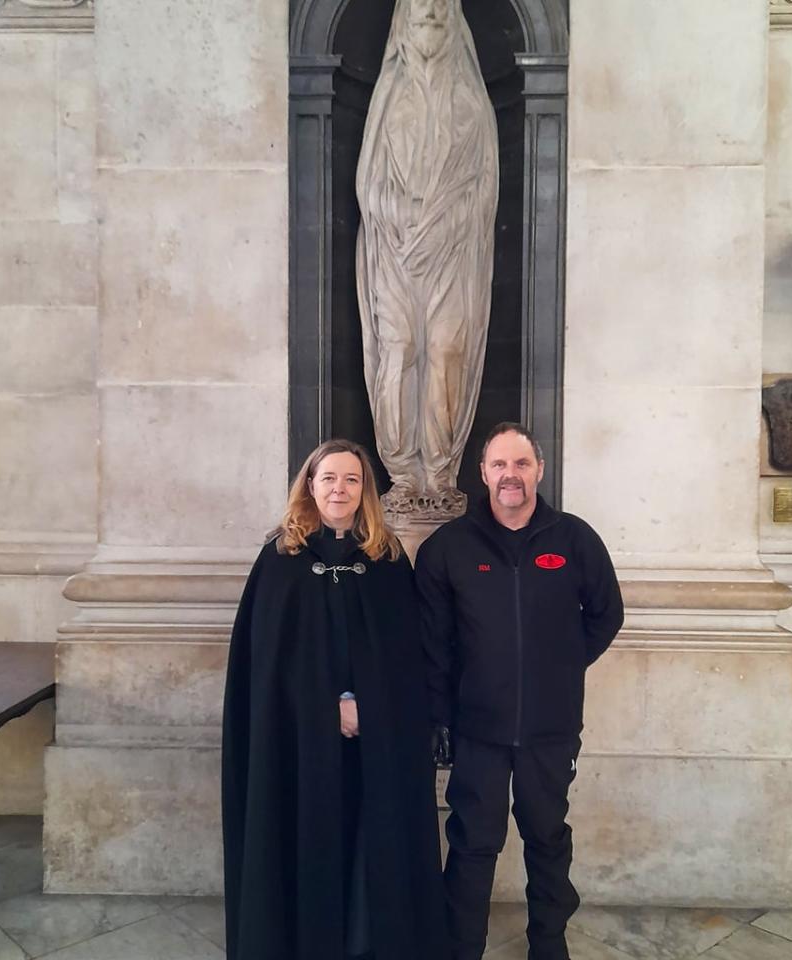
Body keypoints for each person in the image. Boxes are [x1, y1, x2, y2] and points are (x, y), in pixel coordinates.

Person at [222, 439, 448, 960]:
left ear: (364, 490)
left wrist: (368, 703)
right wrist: (329, 705)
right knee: (304, 834)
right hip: (298, 741)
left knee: (372, 839)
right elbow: (267, 666)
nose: (339, 489)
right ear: (310, 485)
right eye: (329, 478)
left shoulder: (388, 561)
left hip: (377, 738)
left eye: (351, 479)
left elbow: (405, 657)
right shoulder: (280, 559)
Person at [415, 423, 624, 960]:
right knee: (472, 845)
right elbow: (433, 643)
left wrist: (560, 669)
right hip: (477, 729)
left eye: (522, 464)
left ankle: (548, 945)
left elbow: (606, 615)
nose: (512, 475)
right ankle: (461, 949)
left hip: (550, 731)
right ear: (482, 473)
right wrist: (440, 717)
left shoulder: (575, 539)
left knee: (548, 838)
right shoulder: (448, 548)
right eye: (500, 465)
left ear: (539, 470)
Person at [355, 0, 498, 512]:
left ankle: (440, 474)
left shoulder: (470, 102)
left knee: (445, 352)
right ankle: (401, 476)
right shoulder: (390, 100)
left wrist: (445, 225)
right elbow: (369, 186)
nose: (430, 27)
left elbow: (485, 187)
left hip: (453, 252)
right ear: (404, 28)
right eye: (422, 19)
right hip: (395, 251)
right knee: (398, 349)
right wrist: (400, 220)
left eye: (440, 19)